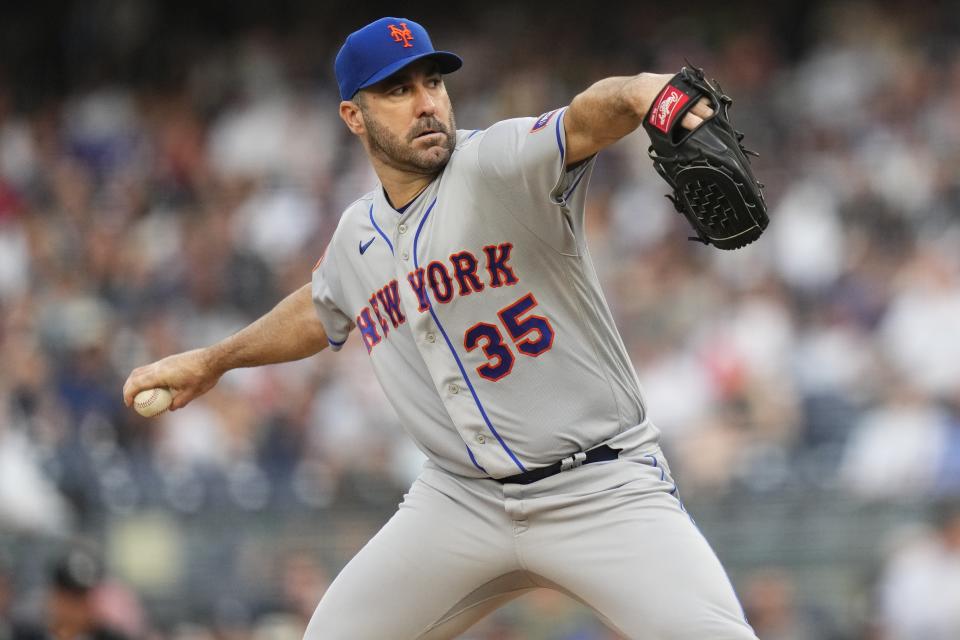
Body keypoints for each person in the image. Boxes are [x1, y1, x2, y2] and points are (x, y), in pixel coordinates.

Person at [123, 16, 757, 639]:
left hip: (601, 487)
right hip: (461, 503)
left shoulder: (497, 162)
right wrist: (215, 360)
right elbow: (323, 306)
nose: (426, 103)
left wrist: (643, 90)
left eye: (434, 83)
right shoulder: (357, 235)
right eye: (399, 90)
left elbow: (588, 118)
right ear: (353, 116)